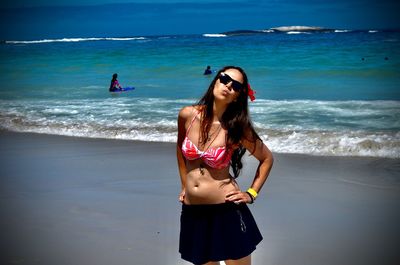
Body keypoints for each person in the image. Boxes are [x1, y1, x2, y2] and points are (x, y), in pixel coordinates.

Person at [176, 66, 274, 265]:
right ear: (215, 81)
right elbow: (180, 148)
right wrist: (184, 185)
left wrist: (251, 193)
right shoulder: (188, 115)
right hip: (194, 212)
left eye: (236, 85)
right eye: (225, 78)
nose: (228, 85)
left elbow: (267, 159)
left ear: (237, 96)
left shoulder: (237, 127)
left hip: (226, 211)